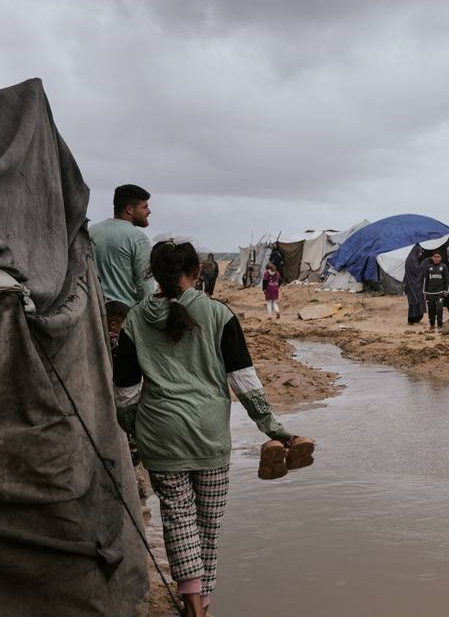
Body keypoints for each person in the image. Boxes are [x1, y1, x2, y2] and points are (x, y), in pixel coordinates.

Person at [112, 241, 313, 617]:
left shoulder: (136, 320)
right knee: (207, 528)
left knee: (178, 520)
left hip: (160, 433)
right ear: (198, 273)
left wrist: (136, 433)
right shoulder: (220, 314)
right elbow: (245, 382)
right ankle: (200, 606)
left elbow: (124, 393)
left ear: (154, 274)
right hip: (210, 435)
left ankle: (195, 605)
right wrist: (274, 429)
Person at [90, 184, 155, 305]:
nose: (149, 211)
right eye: (145, 207)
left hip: (93, 312)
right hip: (124, 315)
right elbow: (146, 288)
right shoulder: (138, 238)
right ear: (129, 209)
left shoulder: (91, 232)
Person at [423, 249, 449, 330]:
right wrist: (425, 292)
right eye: (435, 257)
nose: (436, 258)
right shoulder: (429, 267)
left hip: (440, 293)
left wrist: (446, 291)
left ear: (441, 258)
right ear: (432, 258)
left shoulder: (444, 267)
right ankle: (432, 324)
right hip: (430, 293)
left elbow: (447, 279)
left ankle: (440, 325)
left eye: (438, 257)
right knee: (431, 311)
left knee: (439, 309)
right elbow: (426, 280)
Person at [403, 248, 427, 324]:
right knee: (415, 300)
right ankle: (414, 318)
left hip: (411, 284)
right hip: (414, 285)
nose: (421, 254)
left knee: (414, 301)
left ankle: (414, 318)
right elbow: (417, 271)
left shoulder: (411, 259)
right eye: (420, 253)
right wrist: (424, 263)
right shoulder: (412, 260)